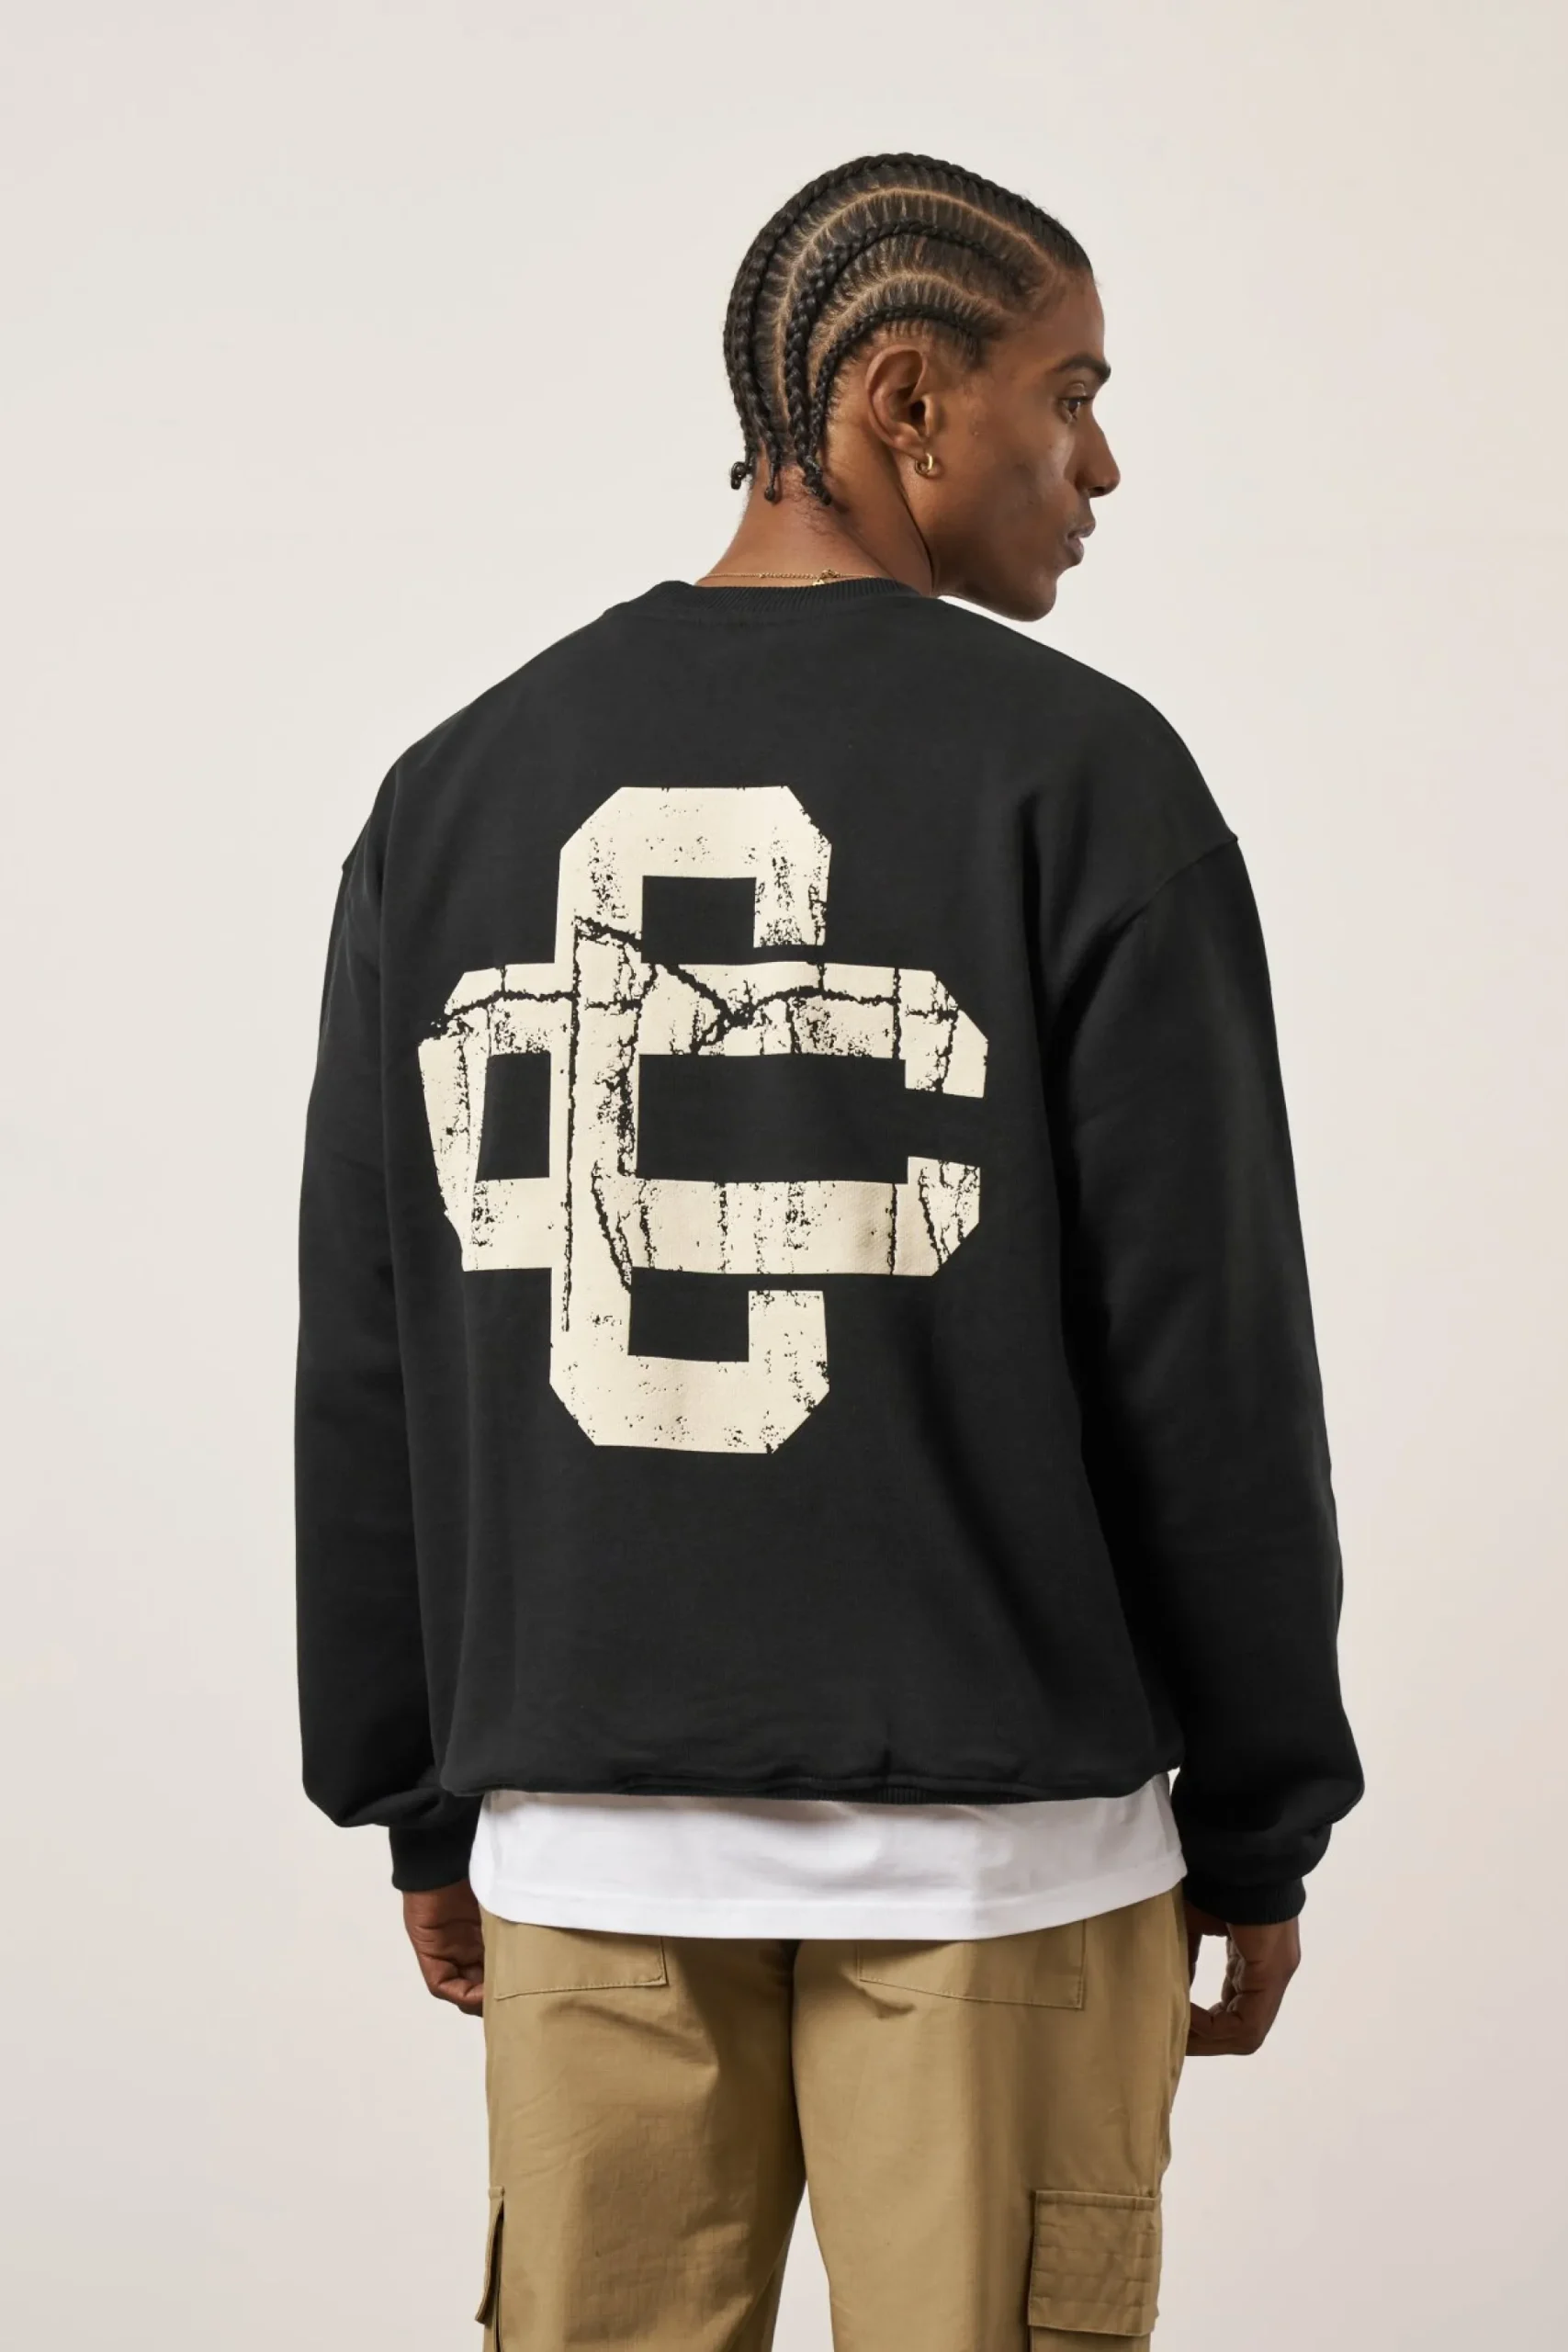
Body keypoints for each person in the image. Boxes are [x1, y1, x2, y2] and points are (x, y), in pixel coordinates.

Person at [294, 151, 1363, 2351]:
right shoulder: (1082, 782)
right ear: (905, 398)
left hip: (581, 1847)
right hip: (1001, 1868)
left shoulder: (453, 790)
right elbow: (1207, 1361)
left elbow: (370, 1339)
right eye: (1069, 394)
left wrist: (415, 1792)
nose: (1098, 464)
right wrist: (1262, 1820)